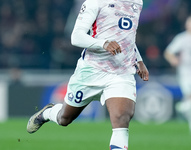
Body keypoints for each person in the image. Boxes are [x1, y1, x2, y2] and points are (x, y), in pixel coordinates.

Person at [27, 0, 149, 149]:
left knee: (121, 118)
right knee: (64, 118)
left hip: (121, 73)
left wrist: (139, 60)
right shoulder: (95, 2)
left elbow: (127, 37)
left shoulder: (137, 2)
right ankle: (48, 113)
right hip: (91, 70)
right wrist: (103, 43)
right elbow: (76, 36)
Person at [164, 15, 191, 135]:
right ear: (187, 25)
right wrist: (173, 59)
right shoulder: (182, 38)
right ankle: (184, 107)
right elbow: (168, 52)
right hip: (186, 73)